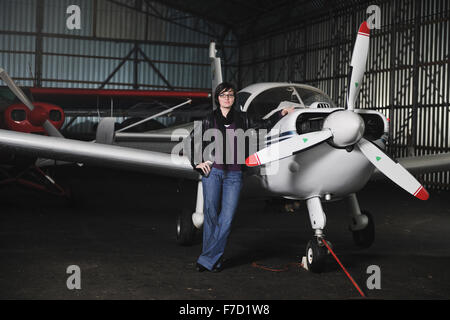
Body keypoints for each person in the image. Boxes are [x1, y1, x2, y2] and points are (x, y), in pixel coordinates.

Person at [189, 82, 294, 272]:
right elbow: (192, 140)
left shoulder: (243, 119)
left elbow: (265, 124)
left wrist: (281, 114)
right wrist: (197, 163)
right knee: (211, 216)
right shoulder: (208, 119)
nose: (227, 98)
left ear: (234, 98)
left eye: (230, 95)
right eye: (223, 95)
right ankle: (213, 260)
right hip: (213, 173)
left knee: (227, 220)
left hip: (234, 175)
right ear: (217, 98)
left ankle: (206, 259)